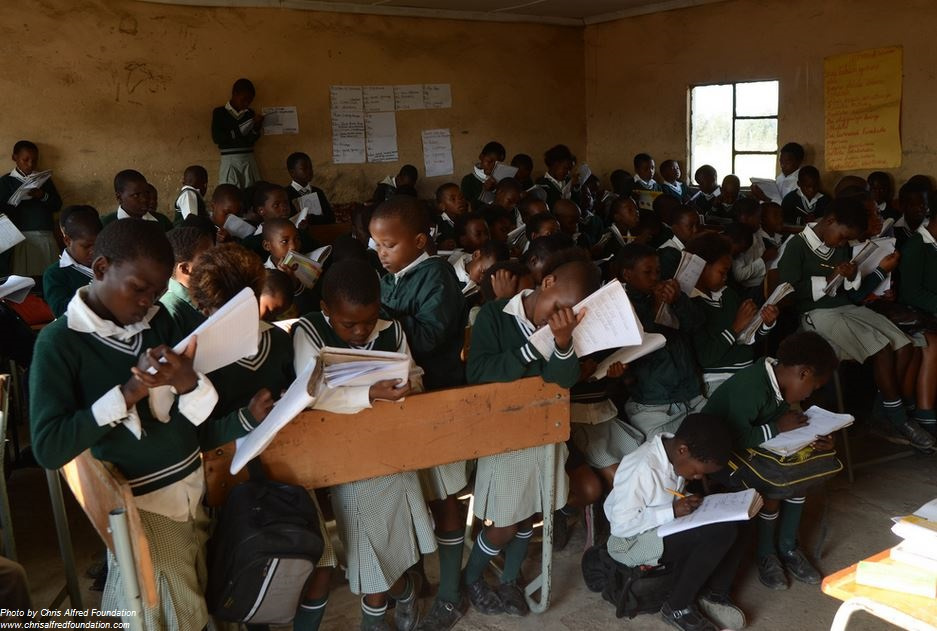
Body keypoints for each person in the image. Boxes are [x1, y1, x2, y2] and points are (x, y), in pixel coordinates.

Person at [29, 219, 268, 630]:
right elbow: (49, 447)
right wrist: (128, 394)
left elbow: (192, 419)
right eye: (138, 288)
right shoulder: (61, 342)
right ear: (101, 268)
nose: (146, 302)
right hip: (141, 505)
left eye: (156, 292)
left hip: (193, 491)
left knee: (195, 597)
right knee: (175, 611)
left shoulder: (158, 322)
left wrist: (186, 381)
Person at [188, 242, 334, 630]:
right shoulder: (196, 357)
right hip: (229, 482)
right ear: (205, 310)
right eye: (219, 313)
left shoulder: (279, 341)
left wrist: (293, 398)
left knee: (319, 565)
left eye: (244, 308)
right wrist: (245, 418)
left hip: (286, 471)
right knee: (252, 574)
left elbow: (294, 391)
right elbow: (194, 435)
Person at [293, 258, 434, 631]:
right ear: (326, 309)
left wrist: (409, 386)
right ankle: (399, 597)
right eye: (348, 324)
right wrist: (370, 393)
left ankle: (391, 603)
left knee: (390, 542)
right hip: (346, 460)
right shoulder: (308, 331)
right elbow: (310, 394)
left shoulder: (392, 330)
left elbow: (415, 375)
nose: (360, 331)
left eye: (368, 322)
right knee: (365, 549)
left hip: (391, 452)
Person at [465, 258, 601, 617]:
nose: (555, 320)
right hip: (504, 439)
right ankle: (472, 576)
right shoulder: (494, 316)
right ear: (547, 282)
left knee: (529, 514)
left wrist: (563, 342)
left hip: (543, 437)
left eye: (566, 317)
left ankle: (510, 579)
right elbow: (479, 372)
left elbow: (563, 380)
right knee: (504, 524)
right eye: (555, 309)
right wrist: (533, 348)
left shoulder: (563, 329)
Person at [370, 197, 469, 625]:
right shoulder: (392, 277)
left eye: (389, 245)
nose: (381, 253)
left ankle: (450, 592)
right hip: (405, 402)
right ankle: (418, 578)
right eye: (376, 245)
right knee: (414, 495)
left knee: (444, 497)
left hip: (439, 400)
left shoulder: (437, 276)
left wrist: (381, 324)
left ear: (418, 241)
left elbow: (428, 337)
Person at [777, 196, 932, 450]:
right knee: (881, 348)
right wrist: (828, 279)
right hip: (816, 314)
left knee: (904, 345)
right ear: (830, 221)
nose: (843, 243)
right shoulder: (797, 245)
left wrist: (851, 275)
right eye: (842, 237)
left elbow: (850, 292)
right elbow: (787, 292)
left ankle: (882, 414)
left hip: (846, 308)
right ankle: (898, 419)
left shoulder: (840, 244)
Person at [704, 331, 839, 590]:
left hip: (755, 448)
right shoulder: (752, 387)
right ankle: (766, 552)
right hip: (722, 457)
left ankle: (788, 546)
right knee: (773, 487)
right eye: (813, 387)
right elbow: (734, 437)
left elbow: (784, 423)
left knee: (799, 478)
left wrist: (819, 438)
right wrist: (776, 428)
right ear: (804, 373)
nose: (810, 394)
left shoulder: (781, 386)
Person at [604, 413, 746, 631]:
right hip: (630, 542)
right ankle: (677, 606)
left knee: (737, 521)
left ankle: (715, 594)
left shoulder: (675, 456)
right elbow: (620, 526)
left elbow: (665, 495)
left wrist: (685, 499)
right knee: (718, 533)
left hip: (660, 526)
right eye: (697, 472)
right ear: (682, 450)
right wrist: (671, 511)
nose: (697, 477)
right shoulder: (642, 469)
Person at [617, 243, 705, 437]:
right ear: (627, 275)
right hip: (654, 402)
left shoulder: (669, 295)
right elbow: (644, 343)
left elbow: (696, 324)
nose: (655, 277)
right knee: (671, 445)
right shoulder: (622, 306)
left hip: (690, 392)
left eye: (657, 271)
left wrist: (678, 300)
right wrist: (657, 308)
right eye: (647, 272)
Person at [687, 232, 778, 395]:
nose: (725, 278)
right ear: (701, 268)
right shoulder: (691, 304)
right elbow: (705, 357)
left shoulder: (728, 294)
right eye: (722, 272)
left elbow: (747, 337)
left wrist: (766, 323)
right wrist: (735, 327)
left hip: (746, 373)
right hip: (717, 380)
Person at [897, 213, 937, 434]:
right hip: (916, 313)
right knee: (932, 345)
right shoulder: (917, 246)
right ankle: (925, 410)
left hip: (930, 311)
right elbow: (911, 293)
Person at [0, 140, 62, 277]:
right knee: (24, 277)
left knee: (48, 275)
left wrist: (42, 195)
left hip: (45, 236)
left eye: (34, 160)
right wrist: (15, 202)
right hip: (21, 238)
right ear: (14, 157)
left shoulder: (44, 180)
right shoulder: (5, 182)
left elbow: (57, 205)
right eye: (25, 160)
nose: (30, 164)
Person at [43, 205, 101, 317]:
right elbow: (60, 311)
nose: (93, 251)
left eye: (98, 243)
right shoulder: (55, 274)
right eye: (86, 246)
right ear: (68, 241)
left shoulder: (110, 262)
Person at [160, 227, 213, 334]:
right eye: (208, 258)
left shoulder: (211, 287)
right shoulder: (170, 311)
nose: (217, 260)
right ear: (185, 269)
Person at [211, 78, 263, 187]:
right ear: (234, 94)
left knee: (252, 190)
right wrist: (238, 132)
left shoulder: (249, 113)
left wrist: (256, 128)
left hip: (248, 159)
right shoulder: (220, 113)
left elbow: (250, 141)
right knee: (230, 191)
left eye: (250, 101)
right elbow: (217, 138)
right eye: (244, 99)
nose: (246, 103)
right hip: (229, 160)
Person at [261, 217, 317, 315]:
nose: (293, 246)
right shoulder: (262, 275)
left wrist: (296, 285)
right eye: (285, 241)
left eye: (297, 239)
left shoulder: (308, 265)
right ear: (267, 246)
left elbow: (313, 308)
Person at [101, 170, 173, 231]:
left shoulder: (161, 221)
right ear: (119, 197)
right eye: (136, 195)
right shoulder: (106, 224)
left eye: (147, 193)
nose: (144, 199)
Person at [286, 152, 335, 225]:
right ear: (292, 172)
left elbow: (331, 218)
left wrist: (311, 218)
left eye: (310, 168)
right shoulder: (286, 194)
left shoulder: (318, 192)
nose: (309, 171)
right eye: (304, 169)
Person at [658, 205, 701, 280]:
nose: (695, 230)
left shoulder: (692, 246)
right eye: (690, 226)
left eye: (697, 225)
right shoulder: (668, 254)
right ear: (674, 228)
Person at [461, 142, 505, 210]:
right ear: (481, 157)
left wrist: (495, 190)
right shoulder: (468, 180)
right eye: (489, 161)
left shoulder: (501, 180)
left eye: (497, 165)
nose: (492, 166)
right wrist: (485, 191)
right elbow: (469, 207)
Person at [536, 144, 577, 209]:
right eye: (565, 168)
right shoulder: (542, 184)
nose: (568, 172)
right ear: (555, 164)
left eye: (570, 170)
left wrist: (574, 189)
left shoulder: (569, 182)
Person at [434, 183, 469, 250]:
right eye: (453, 199)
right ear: (442, 206)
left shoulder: (469, 221)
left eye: (461, 197)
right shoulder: (437, 223)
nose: (460, 201)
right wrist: (440, 246)